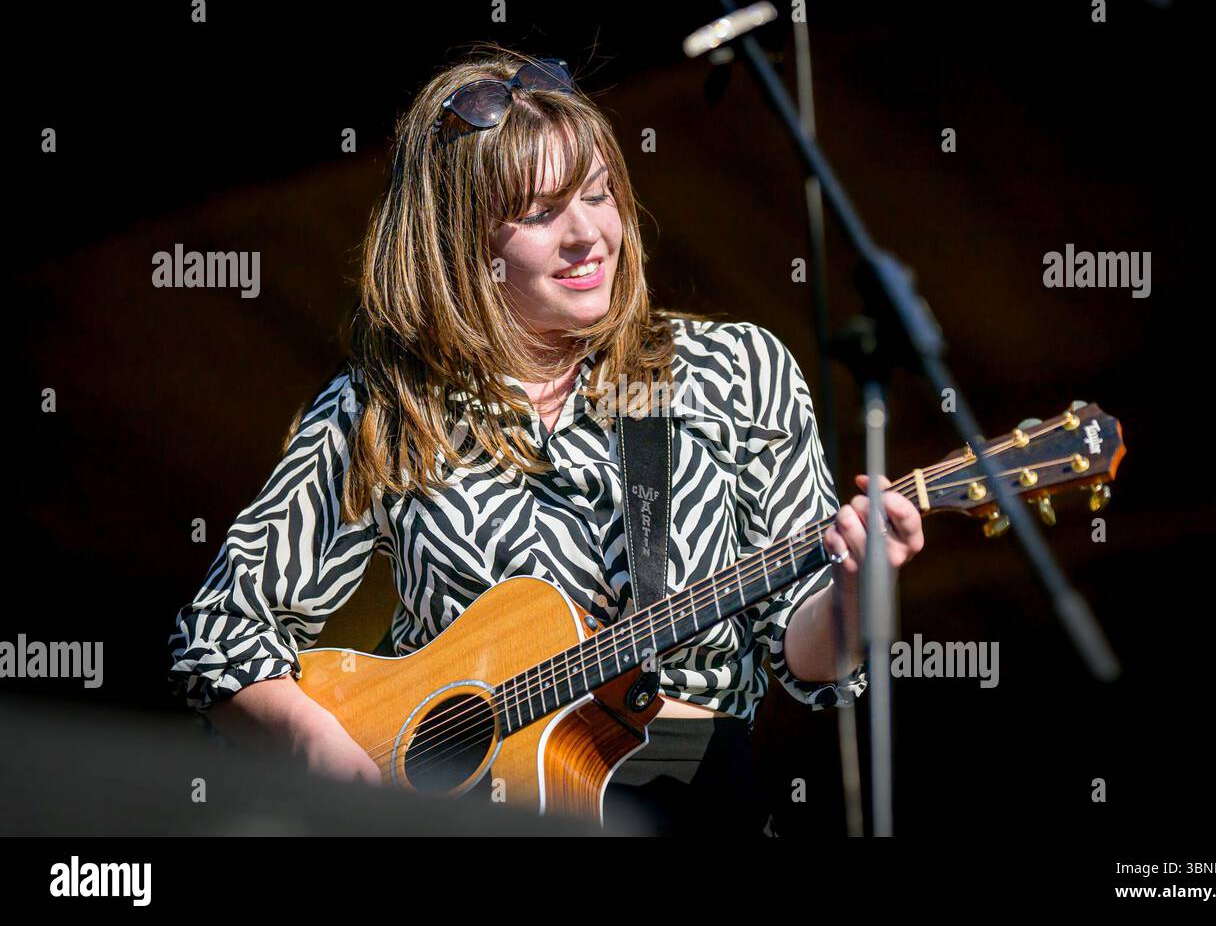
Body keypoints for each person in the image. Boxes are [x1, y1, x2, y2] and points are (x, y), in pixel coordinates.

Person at [167, 46, 924, 835]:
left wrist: (853, 590)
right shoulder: (386, 406)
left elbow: (808, 659)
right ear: (459, 242)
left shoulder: (733, 370)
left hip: (694, 798)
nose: (588, 235)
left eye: (599, 195)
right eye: (538, 213)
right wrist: (315, 743)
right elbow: (221, 634)